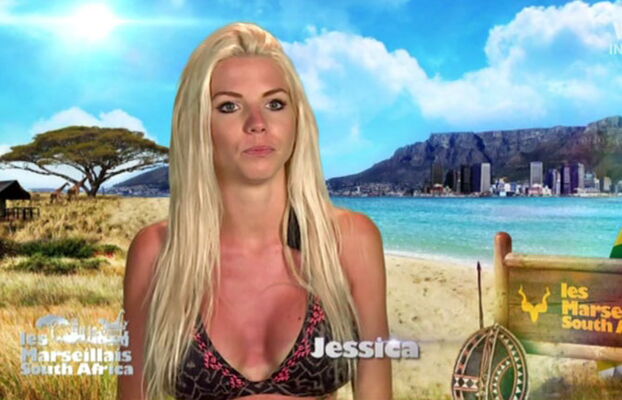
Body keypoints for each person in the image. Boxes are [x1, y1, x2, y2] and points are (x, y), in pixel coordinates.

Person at [118, 22, 391, 400]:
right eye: (229, 106)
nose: (257, 124)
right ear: (198, 125)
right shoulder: (157, 253)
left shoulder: (350, 241)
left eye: (274, 103)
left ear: (297, 119)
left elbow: (376, 389)